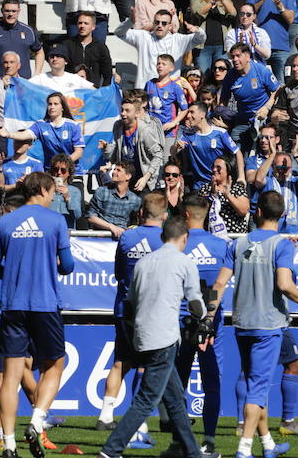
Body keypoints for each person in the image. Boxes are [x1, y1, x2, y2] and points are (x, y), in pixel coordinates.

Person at [98, 216, 217, 458]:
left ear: (163, 237)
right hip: (164, 338)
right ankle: (111, 450)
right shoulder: (184, 262)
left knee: (174, 399)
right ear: (185, 238)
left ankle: (192, 452)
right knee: (146, 399)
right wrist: (206, 313)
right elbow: (195, 304)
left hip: (141, 335)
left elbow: (130, 305)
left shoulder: (143, 263)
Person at [0, 172, 75, 458]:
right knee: (54, 365)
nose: (53, 197)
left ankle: (8, 443)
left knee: (10, 377)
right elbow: (68, 265)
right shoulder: (56, 221)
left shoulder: (6, 221)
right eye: (52, 192)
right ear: (45, 190)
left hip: (13, 304)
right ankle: (36, 421)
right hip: (45, 303)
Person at [231, 191, 298, 458]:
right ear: (281, 216)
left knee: (251, 379)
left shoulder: (238, 242)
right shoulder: (280, 245)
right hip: (268, 324)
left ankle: (267, 444)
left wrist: (210, 313)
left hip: (242, 322)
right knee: (258, 388)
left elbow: (220, 283)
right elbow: (284, 284)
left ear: (257, 212)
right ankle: (244, 449)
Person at [163, 195, 234, 457]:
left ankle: (177, 441)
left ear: (187, 215)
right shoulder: (221, 246)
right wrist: (208, 315)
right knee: (211, 382)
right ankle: (209, 440)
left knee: (177, 384)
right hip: (210, 325)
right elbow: (218, 287)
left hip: (180, 322)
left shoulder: (178, 245)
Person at [96, 193, 165, 441]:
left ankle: (105, 415)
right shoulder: (164, 241)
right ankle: (140, 423)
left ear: (140, 212)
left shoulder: (126, 237)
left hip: (124, 307)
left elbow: (117, 272)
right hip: (149, 311)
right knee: (144, 366)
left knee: (121, 362)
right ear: (164, 214)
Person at [114, 9, 205, 88]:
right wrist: (130, 21)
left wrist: (197, 30)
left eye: (164, 23)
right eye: (157, 22)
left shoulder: (178, 39)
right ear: (153, 23)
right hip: (145, 90)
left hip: (169, 93)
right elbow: (119, 33)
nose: (160, 25)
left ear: (170, 26)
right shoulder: (144, 36)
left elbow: (201, 39)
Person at [100, 95, 166, 193]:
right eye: (122, 110)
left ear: (137, 113)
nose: (123, 113)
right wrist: (106, 149)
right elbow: (118, 152)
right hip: (125, 179)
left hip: (142, 179)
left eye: (127, 110)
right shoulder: (118, 126)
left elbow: (158, 155)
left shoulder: (145, 130)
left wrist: (146, 177)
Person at [1, 92, 84, 169]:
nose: (52, 107)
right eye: (50, 104)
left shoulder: (73, 126)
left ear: (62, 107)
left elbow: (79, 152)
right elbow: (25, 135)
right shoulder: (41, 125)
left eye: (56, 104)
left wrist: (63, 165)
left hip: (73, 171)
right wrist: (8, 134)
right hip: (51, 171)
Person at [246, 0, 296, 82]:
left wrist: (280, 6)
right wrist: (263, 0)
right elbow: (246, 15)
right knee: (256, 83)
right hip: (258, 46)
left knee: (282, 84)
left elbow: (291, 19)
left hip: (280, 47)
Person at [0, 0, 44, 79]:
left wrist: (37, 75)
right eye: (7, 11)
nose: (10, 14)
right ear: (2, 11)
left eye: (14, 11)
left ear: (19, 11)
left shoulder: (28, 30)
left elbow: (39, 52)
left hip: (23, 83)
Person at [189, 0, 236, 73]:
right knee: (203, 77)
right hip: (202, 46)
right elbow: (198, 13)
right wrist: (212, 1)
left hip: (221, 47)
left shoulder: (225, 1)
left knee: (222, 78)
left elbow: (233, 13)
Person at [85, 160, 142, 238]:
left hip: (122, 239)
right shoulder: (102, 192)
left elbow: (135, 223)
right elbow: (90, 216)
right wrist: (111, 227)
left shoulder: (135, 200)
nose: (113, 172)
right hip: (100, 239)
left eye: (118, 170)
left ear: (128, 176)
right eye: (114, 169)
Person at [198, 154, 251, 235]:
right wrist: (212, 195)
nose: (214, 169)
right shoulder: (205, 188)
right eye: (213, 166)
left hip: (233, 237)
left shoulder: (237, 188)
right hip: (211, 237)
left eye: (218, 167)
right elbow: (199, 212)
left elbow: (244, 210)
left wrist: (228, 194)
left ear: (228, 169)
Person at [29, 44, 94, 94]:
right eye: (52, 57)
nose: (54, 59)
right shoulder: (40, 79)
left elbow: (96, 92)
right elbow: (23, 88)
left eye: (58, 56)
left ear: (66, 61)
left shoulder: (75, 78)